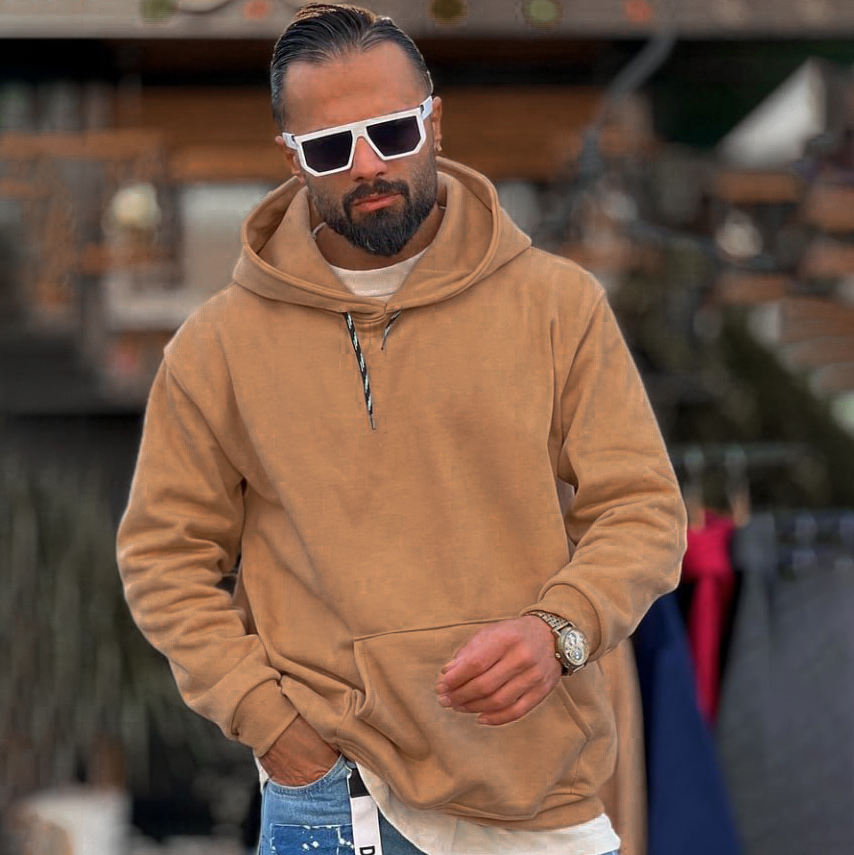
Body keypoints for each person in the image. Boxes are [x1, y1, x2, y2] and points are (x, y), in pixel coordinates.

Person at [116, 5, 687, 855]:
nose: (368, 165)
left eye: (391, 131)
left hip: (539, 794)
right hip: (331, 793)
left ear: (434, 120)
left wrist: (560, 630)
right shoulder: (216, 347)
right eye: (330, 147)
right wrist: (270, 722)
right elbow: (164, 558)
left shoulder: (557, 304)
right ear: (292, 157)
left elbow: (643, 510)